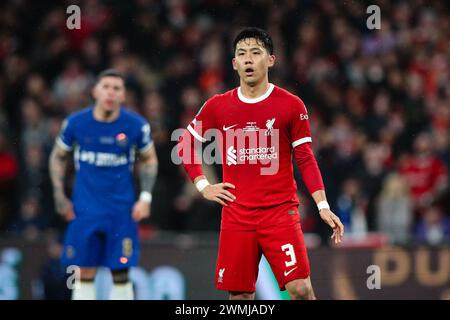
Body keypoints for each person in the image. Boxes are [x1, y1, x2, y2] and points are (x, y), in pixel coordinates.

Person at [178, 27, 344, 300]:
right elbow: (185, 144)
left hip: (280, 213)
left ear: (270, 60)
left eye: (256, 53)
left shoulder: (291, 105)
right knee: (240, 297)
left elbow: (305, 157)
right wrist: (203, 186)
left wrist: (322, 205)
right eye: (241, 54)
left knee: (300, 288)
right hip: (236, 215)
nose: (248, 60)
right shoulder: (217, 106)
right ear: (234, 63)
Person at [49, 69, 158, 300]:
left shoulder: (135, 125)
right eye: (106, 87)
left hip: (121, 211)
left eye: (116, 88)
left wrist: (145, 198)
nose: (110, 92)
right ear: (95, 91)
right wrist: (59, 196)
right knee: (83, 272)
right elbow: (58, 156)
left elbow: (149, 160)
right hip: (85, 210)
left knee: (120, 273)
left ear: (123, 95)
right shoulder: (76, 123)